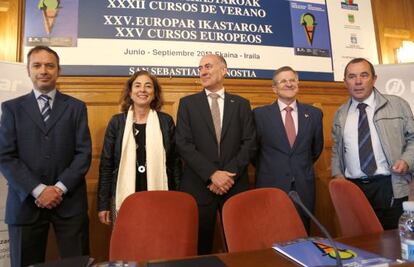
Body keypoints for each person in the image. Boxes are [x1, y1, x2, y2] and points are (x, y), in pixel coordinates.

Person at [0, 46, 91, 267]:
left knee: (77, 264)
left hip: (69, 203)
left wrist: (58, 189)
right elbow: (5, 156)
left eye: (50, 65)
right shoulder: (12, 108)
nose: (43, 70)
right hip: (25, 203)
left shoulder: (76, 107)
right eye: (37, 65)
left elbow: (83, 153)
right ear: (28, 70)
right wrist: (39, 190)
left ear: (58, 70)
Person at [175, 54, 256, 254]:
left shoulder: (241, 104)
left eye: (208, 66)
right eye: (200, 67)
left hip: (234, 185)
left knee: (239, 246)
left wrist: (228, 174)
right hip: (200, 186)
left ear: (224, 70)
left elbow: (250, 143)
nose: (203, 71)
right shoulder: (187, 104)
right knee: (200, 248)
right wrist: (212, 174)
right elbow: (183, 144)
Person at [331, 57, 414, 229]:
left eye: (364, 75)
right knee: (362, 244)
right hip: (354, 189)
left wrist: (407, 160)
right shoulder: (340, 114)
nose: (358, 81)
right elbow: (336, 148)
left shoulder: (398, 105)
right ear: (345, 81)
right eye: (352, 77)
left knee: (393, 244)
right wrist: (338, 175)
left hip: (389, 186)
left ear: (374, 78)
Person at [97, 70, 181, 225]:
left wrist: (178, 197)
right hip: (124, 194)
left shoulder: (165, 121)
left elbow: (175, 163)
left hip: (159, 193)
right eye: (137, 85)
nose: (142, 90)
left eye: (148, 86)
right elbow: (106, 166)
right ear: (130, 92)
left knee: (158, 239)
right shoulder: (117, 123)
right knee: (127, 242)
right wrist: (103, 205)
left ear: (154, 93)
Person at [253, 66, 324, 231]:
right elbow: (254, 152)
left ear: (298, 84)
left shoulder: (314, 114)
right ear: (274, 89)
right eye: (283, 81)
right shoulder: (259, 115)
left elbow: (316, 149)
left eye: (292, 80)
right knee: (271, 233)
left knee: (302, 233)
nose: (289, 84)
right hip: (270, 184)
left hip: (303, 187)